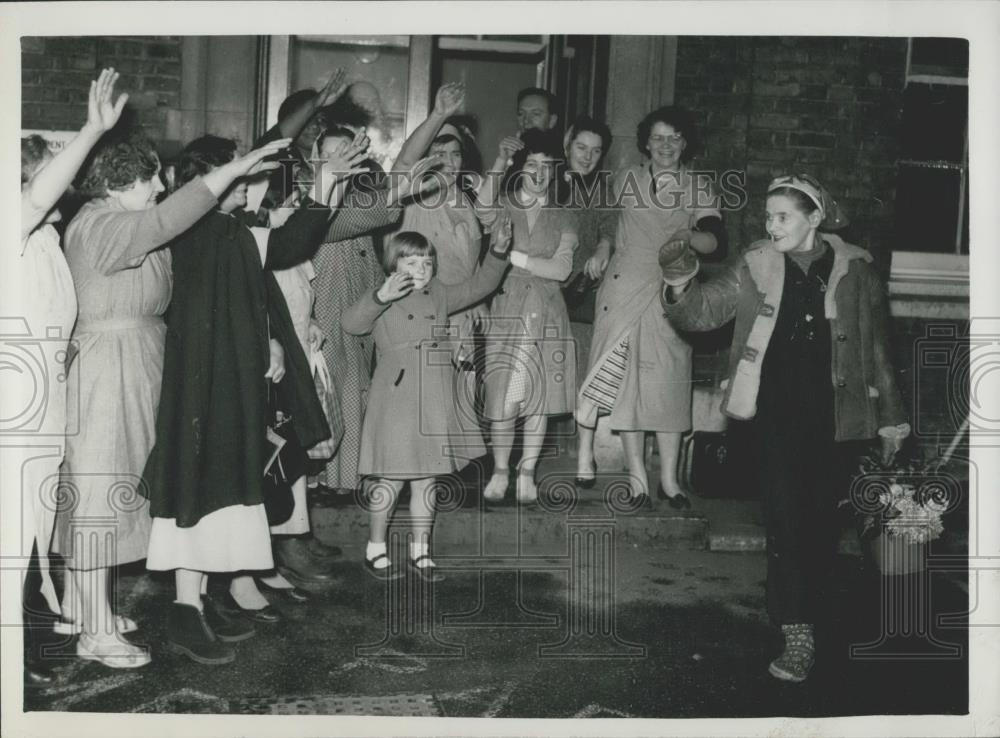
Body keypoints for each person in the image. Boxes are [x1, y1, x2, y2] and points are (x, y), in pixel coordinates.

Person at [53, 118, 290, 669]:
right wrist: (232, 169)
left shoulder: (116, 219)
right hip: (108, 371)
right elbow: (170, 215)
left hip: (132, 362)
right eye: (151, 178)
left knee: (116, 490)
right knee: (97, 496)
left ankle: (84, 605)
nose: (159, 187)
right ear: (119, 181)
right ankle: (94, 630)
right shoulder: (104, 225)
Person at [660, 173, 909, 683]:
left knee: (819, 525)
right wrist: (680, 278)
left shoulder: (857, 270)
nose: (770, 225)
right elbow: (703, 313)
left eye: (783, 216)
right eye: (767, 216)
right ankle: (797, 631)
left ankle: (812, 612)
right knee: (787, 521)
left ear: (814, 218)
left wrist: (893, 420)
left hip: (837, 417)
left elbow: (880, 350)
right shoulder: (756, 264)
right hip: (774, 415)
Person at [141, 134, 362, 665]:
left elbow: (282, 250)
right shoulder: (200, 229)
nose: (249, 186)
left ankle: (199, 597)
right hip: (202, 382)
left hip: (225, 379)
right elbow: (288, 246)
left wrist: (327, 180)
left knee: (220, 484)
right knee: (198, 484)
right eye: (239, 177)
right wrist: (325, 182)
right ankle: (184, 607)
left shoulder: (223, 230)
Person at [6, 69, 126, 683]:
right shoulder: (13, 229)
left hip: (43, 404)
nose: (62, 170)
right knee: (15, 529)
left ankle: (34, 625)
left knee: (38, 524)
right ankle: (20, 649)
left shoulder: (46, 239)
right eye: (48, 162)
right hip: (14, 409)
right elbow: (28, 200)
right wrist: (90, 130)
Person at [575, 105, 726, 507]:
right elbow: (600, 221)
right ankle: (637, 476)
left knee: (669, 384)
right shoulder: (625, 179)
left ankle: (670, 481)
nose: (665, 146)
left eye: (674, 138)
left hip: (672, 290)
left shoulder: (698, 186)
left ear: (685, 143)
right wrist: (605, 245)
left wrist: (690, 234)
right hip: (623, 287)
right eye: (658, 138)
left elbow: (716, 241)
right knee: (626, 384)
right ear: (645, 142)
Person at [343, 222, 513, 581]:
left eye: (426, 262)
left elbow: (481, 285)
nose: (421, 270)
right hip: (397, 397)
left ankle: (421, 553)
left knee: (428, 480)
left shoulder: (438, 293)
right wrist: (379, 298)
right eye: (411, 262)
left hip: (435, 393)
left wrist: (497, 251)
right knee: (390, 479)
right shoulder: (382, 292)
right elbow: (351, 324)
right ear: (394, 264)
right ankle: (375, 549)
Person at [478, 129, 579, 504]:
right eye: (531, 165)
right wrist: (500, 162)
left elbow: (561, 270)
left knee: (539, 400)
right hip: (508, 311)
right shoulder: (502, 204)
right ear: (520, 169)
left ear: (554, 173)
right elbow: (480, 206)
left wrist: (511, 256)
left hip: (548, 314)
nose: (539, 173)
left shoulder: (564, 216)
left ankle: (527, 472)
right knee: (504, 398)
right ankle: (501, 469)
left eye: (546, 167)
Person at [393, 83, 492, 430]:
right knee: (421, 408)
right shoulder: (415, 194)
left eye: (455, 154)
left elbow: (472, 260)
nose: (449, 163)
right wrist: (439, 114)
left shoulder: (466, 201)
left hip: (463, 317)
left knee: (460, 409)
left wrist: (479, 297)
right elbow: (405, 161)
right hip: (422, 315)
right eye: (439, 153)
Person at [556, 116, 617, 457]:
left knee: (582, 371)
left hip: (578, 294)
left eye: (596, 151)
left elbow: (610, 226)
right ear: (567, 145)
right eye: (581, 147)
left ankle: (583, 451)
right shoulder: (545, 182)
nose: (587, 156)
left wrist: (605, 245)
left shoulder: (601, 192)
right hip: (542, 289)